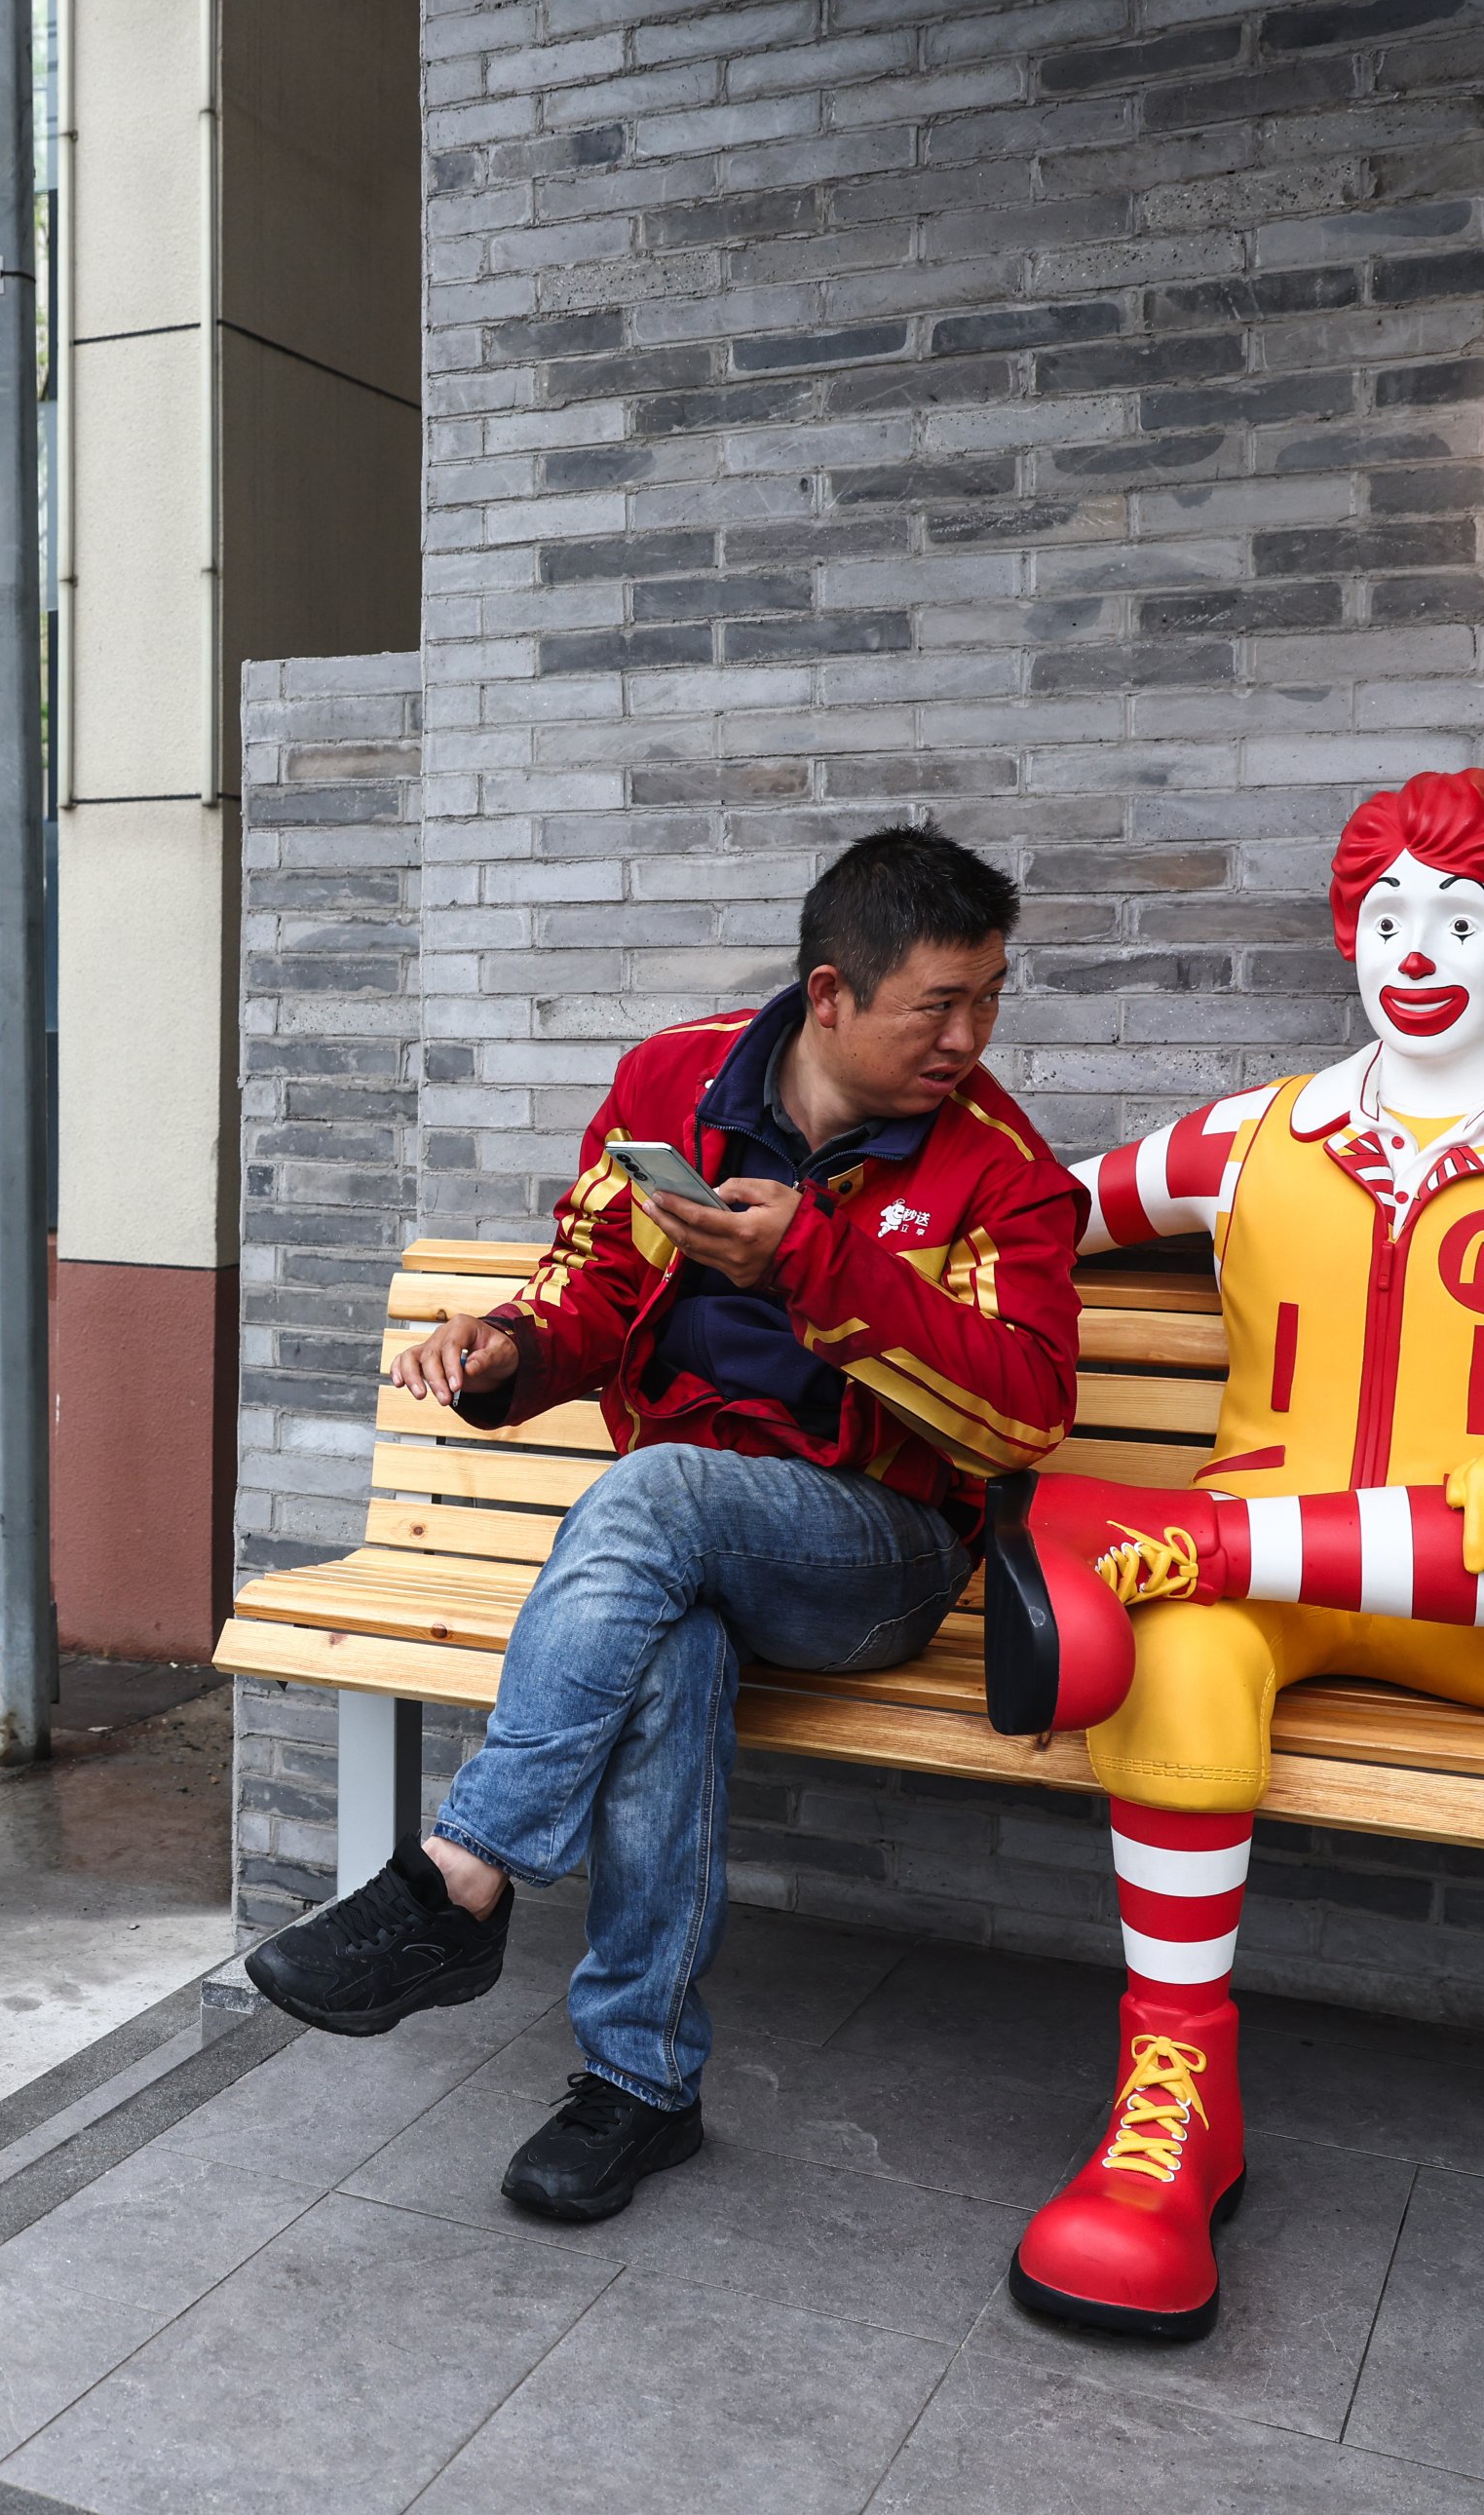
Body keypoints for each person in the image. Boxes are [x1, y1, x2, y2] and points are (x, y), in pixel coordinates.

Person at [982, 768, 1484, 2341]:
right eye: (1387, 914)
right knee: (1179, 1649)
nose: (1416, 948)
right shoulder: (1258, 1135)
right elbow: (1047, 1210)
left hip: (1483, 1593)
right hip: (1264, 1606)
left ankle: (1167, 1542)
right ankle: (1172, 2110)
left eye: (1459, 918)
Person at [243, 825, 1086, 2221]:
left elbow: (1025, 1419)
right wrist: (504, 1348)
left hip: (878, 1558)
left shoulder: (999, 1171)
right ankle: (638, 2088)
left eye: (990, 996)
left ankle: (459, 1877)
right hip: (681, 1546)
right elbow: (585, 1287)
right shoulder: (674, 1085)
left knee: (652, 1493)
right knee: (672, 1646)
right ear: (831, 995)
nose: (970, 1034)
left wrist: (817, 1261)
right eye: (940, 1001)